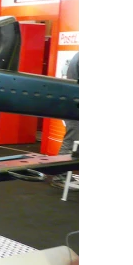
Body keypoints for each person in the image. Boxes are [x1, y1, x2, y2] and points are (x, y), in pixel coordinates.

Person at [51, 50, 82, 189]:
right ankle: (60, 177)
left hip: (74, 105)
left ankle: (62, 175)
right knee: (70, 141)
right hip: (76, 107)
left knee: (72, 141)